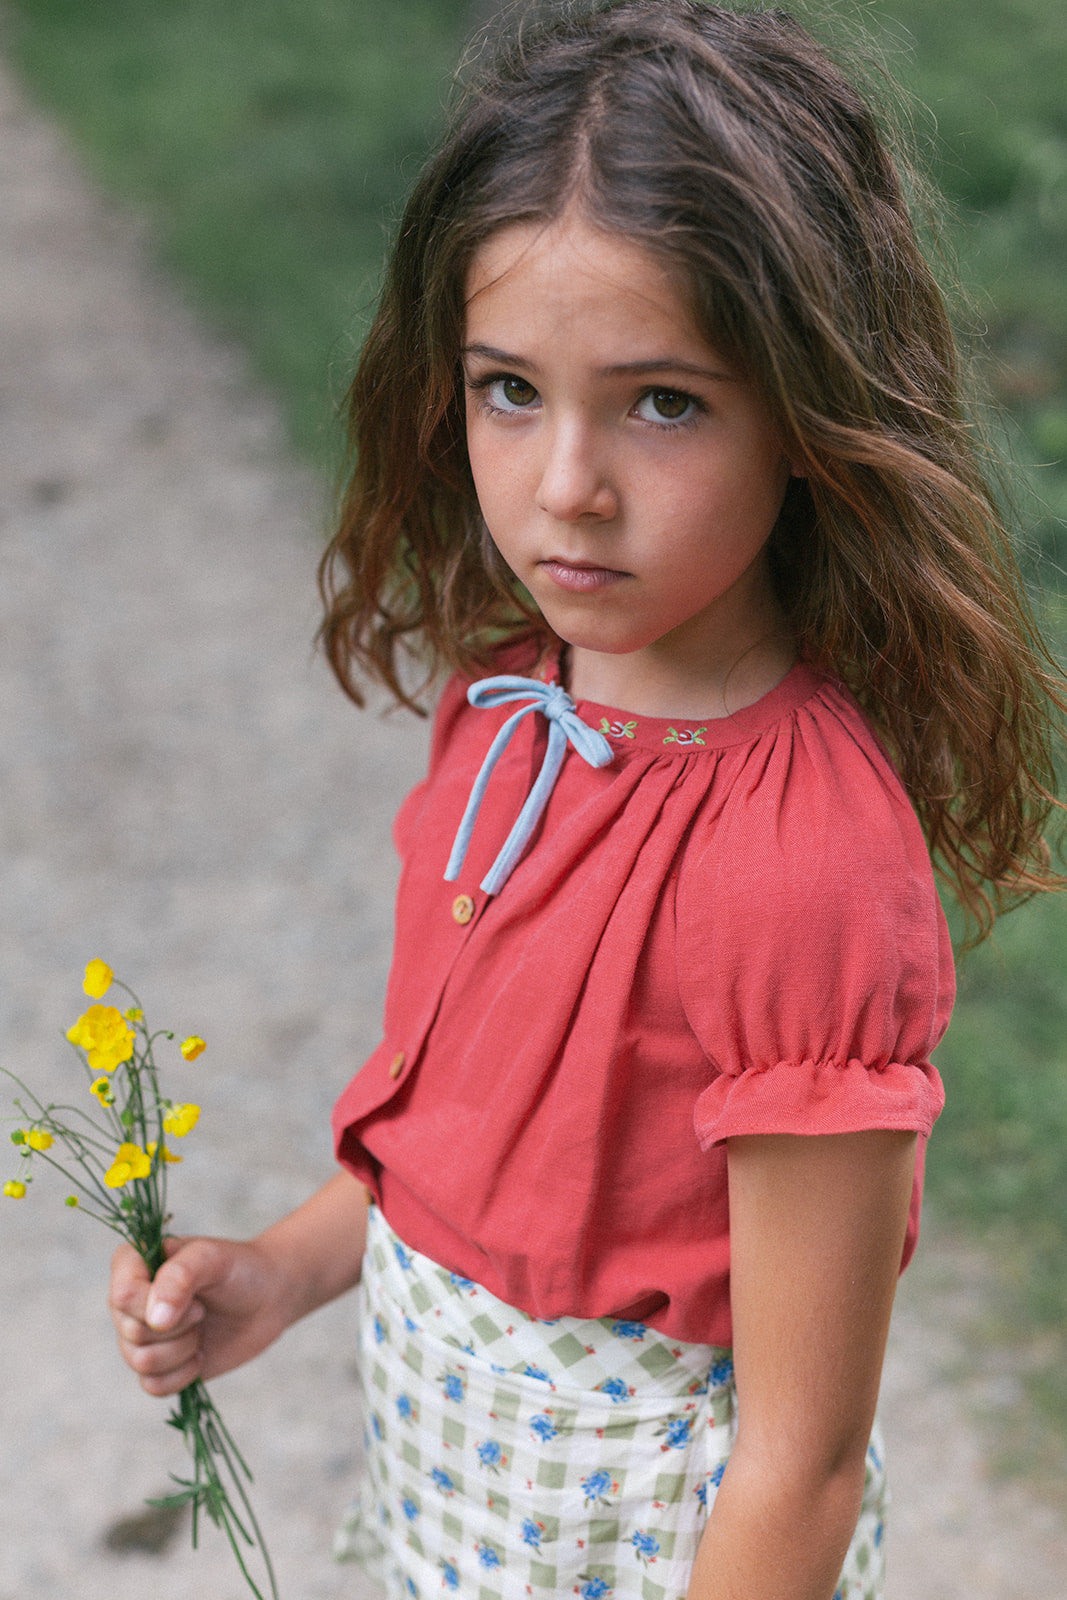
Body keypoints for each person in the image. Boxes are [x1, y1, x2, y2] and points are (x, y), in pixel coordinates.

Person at [108, 4, 1065, 1597]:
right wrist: (282, 1271)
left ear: (813, 412)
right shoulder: (513, 709)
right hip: (449, 1517)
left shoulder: (795, 866)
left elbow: (806, 1460)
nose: (566, 487)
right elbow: (483, 1140)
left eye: (663, 403)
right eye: (507, 390)